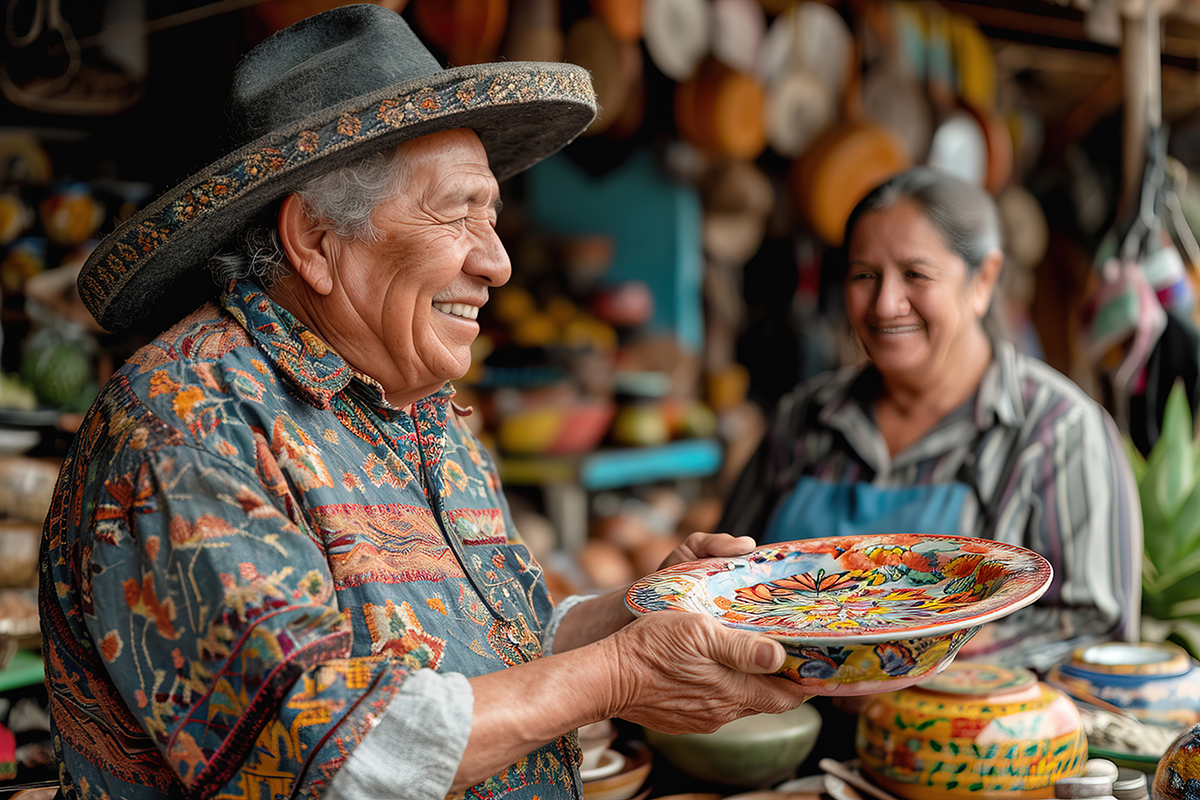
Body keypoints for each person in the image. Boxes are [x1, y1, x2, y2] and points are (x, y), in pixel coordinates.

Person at [39, 7, 810, 799]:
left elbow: (480, 658)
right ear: (314, 240)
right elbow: (326, 754)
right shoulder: (189, 423)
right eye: (456, 213)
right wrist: (622, 672)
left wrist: (638, 613)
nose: (500, 263)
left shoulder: (419, 412)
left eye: (494, 216)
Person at [720, 166, 1143, 674]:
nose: (885, 304)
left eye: (915, 275)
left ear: (982, 281)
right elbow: (728, 578)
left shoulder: (1056, 431)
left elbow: (1094, 627)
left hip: (964, 743)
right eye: (863, 276)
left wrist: (902, 664)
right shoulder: (804, 419)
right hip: (779, 731)